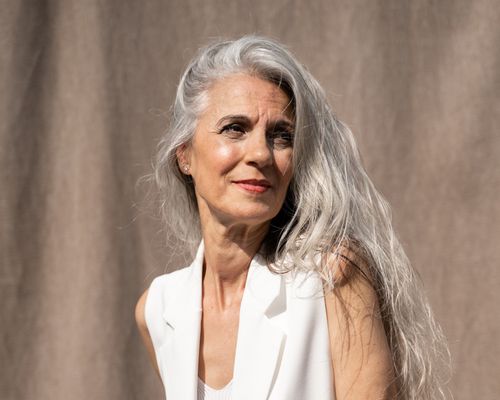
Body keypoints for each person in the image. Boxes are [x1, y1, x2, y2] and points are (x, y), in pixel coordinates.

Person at [135, 36, 449, 400]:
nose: (260, 153)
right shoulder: (158, 309)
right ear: (184, 155)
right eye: (234, 128)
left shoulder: (333, 274)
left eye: (281, 135)